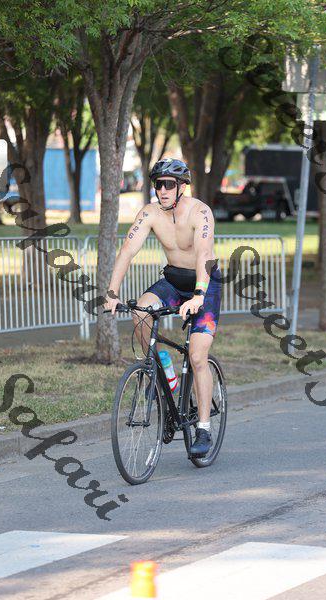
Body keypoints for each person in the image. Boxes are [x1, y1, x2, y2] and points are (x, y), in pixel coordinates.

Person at [104, 158, 222, 457]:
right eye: (158, 184)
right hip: (172, 281)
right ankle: (162, 371)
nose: (162, 190)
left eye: (169, 184)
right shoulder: (150, 213)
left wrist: (198, 295)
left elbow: (204, 254)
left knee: (197, 356)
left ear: (182, 187)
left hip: (204, 285)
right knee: (140, 312)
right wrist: (112, 293)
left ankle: (204, 428)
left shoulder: (200, 212)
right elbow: (127, 251)